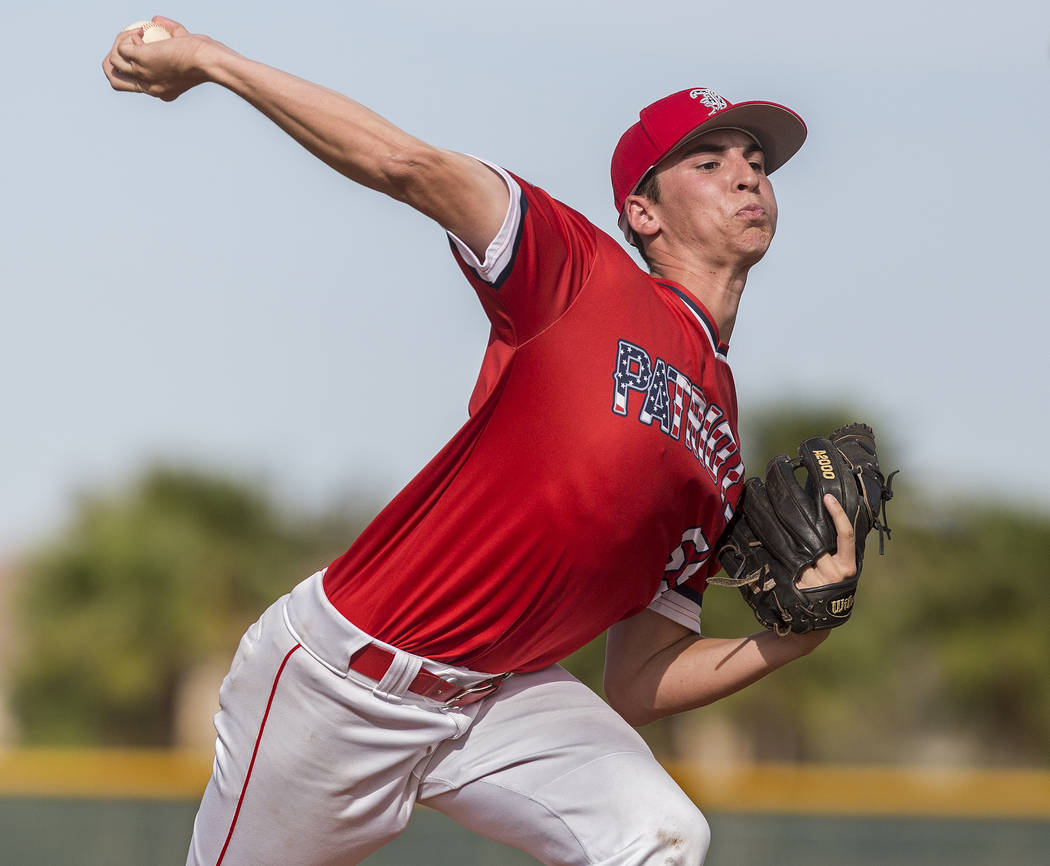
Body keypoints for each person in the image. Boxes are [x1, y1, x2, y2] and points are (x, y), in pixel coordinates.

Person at [103, 17, 860, 866]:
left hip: (500, 700)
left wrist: (794, 637)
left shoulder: (720, 444)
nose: (746, 176)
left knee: (660, 835)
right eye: (710, 161)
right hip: (345, 685)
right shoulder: (577, 271)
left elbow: (638, 679)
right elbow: (408, 165)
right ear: (641, 212)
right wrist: (210, 61)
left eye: (756, 162)